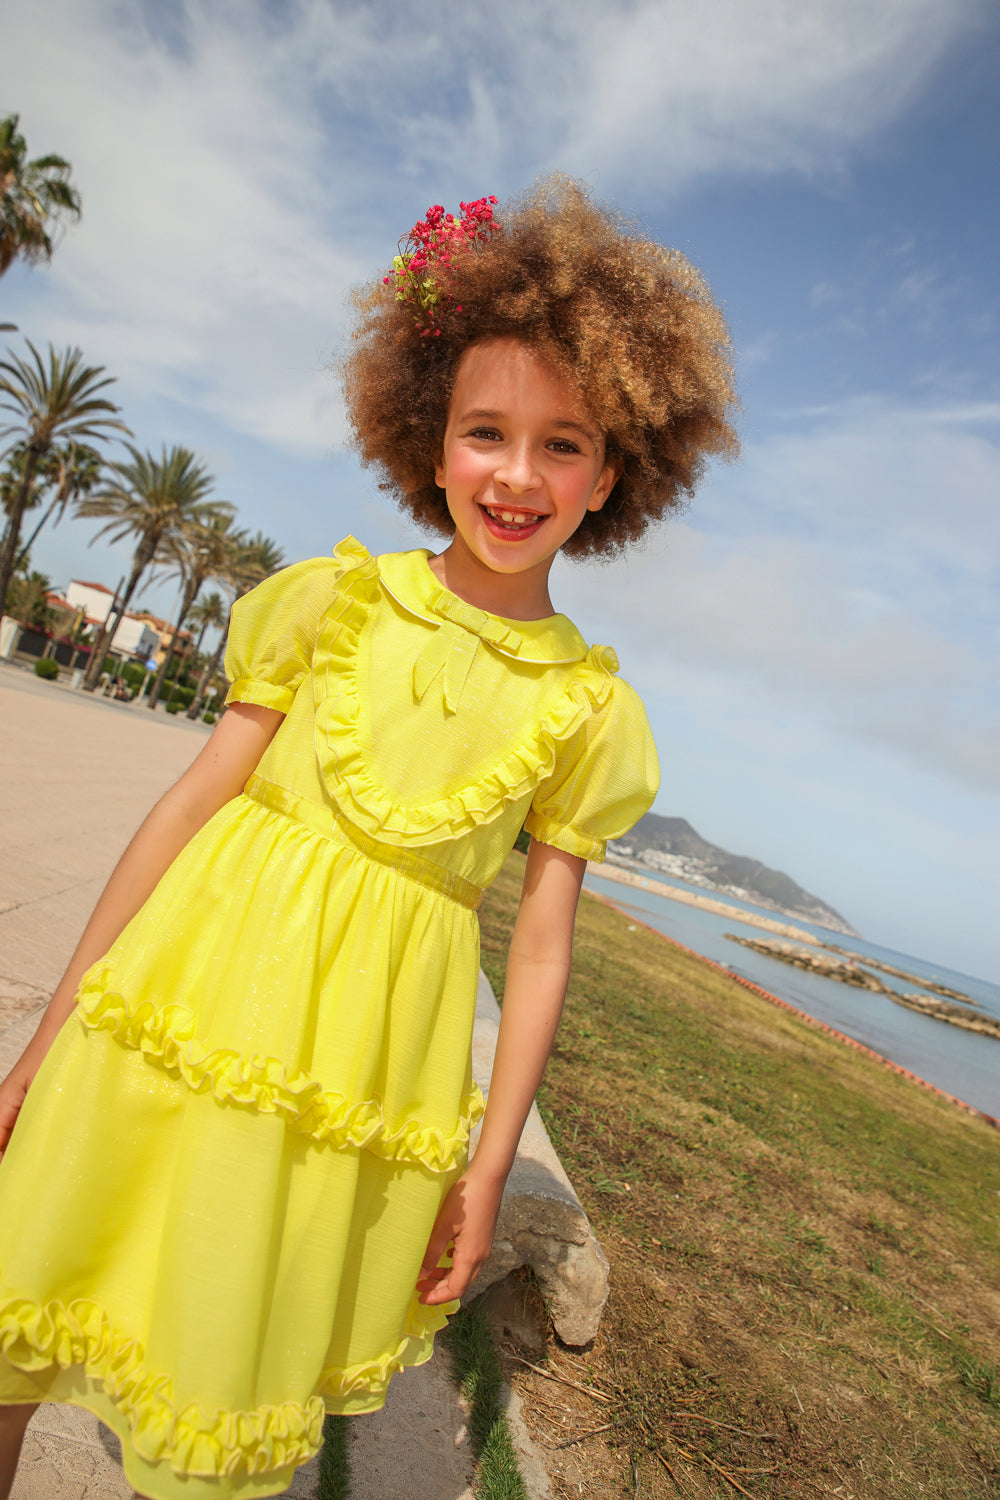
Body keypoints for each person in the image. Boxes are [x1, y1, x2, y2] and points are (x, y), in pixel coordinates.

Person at [0, 177, 738, 1500]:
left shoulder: (588, 710)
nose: (517, 476)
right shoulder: (327, 601)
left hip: (351, 1081)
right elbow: (191, 805)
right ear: (428, 435)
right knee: (27, 1290)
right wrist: (57, 1024)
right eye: (486, 432)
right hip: (171, 1004)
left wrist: (489, 1158)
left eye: (563, 444)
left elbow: (549, 951)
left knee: (221, 1371)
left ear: (617, 472)